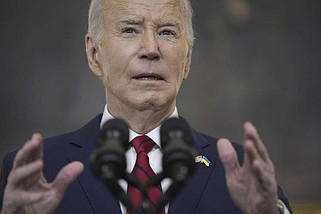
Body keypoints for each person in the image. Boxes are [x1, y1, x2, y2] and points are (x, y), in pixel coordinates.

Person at [0, 0, 292, 213]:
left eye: (167, 32)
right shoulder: (37, 173)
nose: (151, 49)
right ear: (94, 54)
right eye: (130, 30)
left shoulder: (244, 174)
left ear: (187, 60)